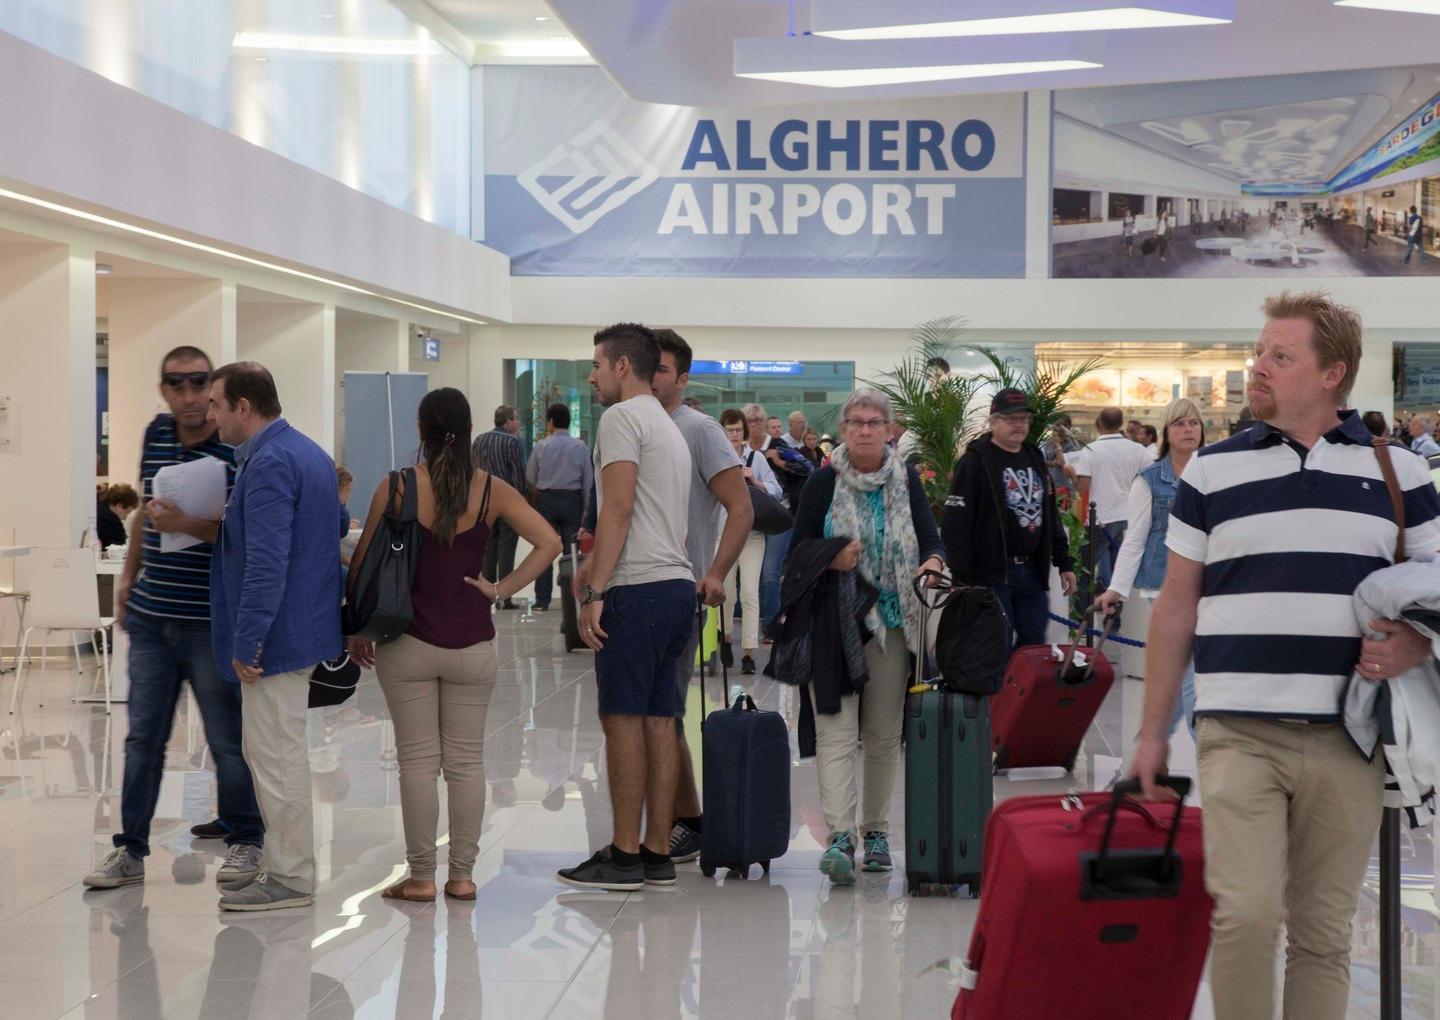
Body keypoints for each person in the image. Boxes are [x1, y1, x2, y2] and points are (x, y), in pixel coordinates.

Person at [1130, 291, 1440, 1020]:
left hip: (1350, 738)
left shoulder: (1401, 475)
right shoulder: (1211, 472)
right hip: (1238, 731)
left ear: (1332, 373)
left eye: (1279, 355)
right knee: (1247, 915)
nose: (1256, 367)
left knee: (1324, 932)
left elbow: (1434, 588)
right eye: (1260, 350)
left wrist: (1417, 640)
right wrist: (1150, 735)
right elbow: (1177, 605)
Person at [346, 388, 561, 902]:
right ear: (468, 433)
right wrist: (501, 588)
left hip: (407, 643)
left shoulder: (397, 487)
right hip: (472, 645)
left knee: (418, 762)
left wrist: (356, 628)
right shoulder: (492, 490)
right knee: (466, 763)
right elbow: (550, 542)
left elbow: (363, 564)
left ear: (421, 430)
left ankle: (421, 877)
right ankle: (461, 876)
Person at [83, 347, 264, 893]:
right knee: (142, 739)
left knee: (227, 740)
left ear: (212, 389)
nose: (187, 397)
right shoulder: (155, 435)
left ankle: (246, 839)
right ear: (163, 389)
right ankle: (130, 849)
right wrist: (127, 582)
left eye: (197, 384)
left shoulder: (234, 445)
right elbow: (143, 515)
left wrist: (189, 522)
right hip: (152, 619)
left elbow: (244, 536)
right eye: (175, 385)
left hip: (210, 622)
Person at [559, 324, 695, 892]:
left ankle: (622, 855)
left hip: (637, 589)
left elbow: (616, 509)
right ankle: (657, 851)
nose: (590, 376)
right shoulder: (668, 425)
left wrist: (594, 591)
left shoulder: (621, 419)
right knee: (661, 720)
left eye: (596, 364)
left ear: (621, 367)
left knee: (621, 721)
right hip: (677, 588)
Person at [790, 389, 946, 885]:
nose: (864, 430)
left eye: (874, 422)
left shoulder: (905, 482)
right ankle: (840, 836)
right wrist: (830, 556)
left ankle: (875, 832)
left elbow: (930, 537)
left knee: (882, 735)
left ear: (889, 430)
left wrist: (935, 561)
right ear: (844, 427)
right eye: (856, 421)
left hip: (893, 623)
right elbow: (795, 554)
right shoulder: (821, 482)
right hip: (833, 622)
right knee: (836, 731)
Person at [207, 361, 343, 911]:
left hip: (279, 635)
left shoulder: (268, 463)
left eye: (216, 403)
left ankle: (291, 874)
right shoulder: (305, 452)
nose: (209, 413)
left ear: (244, 406)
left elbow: (266, 562)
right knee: (274, 750)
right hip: (304, 623)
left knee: (276, 754)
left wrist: (249, 641)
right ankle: (284, 863)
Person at [649, 330, 752, 865]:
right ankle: (686, 819)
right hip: (636, 592)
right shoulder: (634, 425)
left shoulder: (700, 430)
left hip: (679, 589)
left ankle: (681, 823)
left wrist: (715, 573)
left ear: (683, 378)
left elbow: (740, 507)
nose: (653, 377)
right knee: (654, 712)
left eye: (662, 369)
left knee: (663, 712)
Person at [1095, 399, 1206, 737]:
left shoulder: (1215, 474)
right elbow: (1135, 539)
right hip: (1164, 585)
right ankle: (1200, 744)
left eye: (1193, 423)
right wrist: (1117, 588)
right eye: (1179, 424)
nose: (1188, 430)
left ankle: (1158, 742)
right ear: (1166, 433)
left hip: (1212, 585)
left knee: (1191, 672)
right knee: (1191, 672)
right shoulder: (1149, 480)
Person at [942, 388, 1077, 651]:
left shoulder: (1033, 456)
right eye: (1010, 419)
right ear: (993, 422)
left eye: (1023, 419)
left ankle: (1020, 693)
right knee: (994, 646)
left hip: (1032, 572)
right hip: (991, 574)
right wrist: (963, 578)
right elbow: (955, 525)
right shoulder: (975, 461)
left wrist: (1064, 562)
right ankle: (996, 694)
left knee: (1033, 647)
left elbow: (1048, 513)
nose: (1018, 425)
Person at [721, 407, 780, 676]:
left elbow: (776, 490)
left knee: (749, 592)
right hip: (722, 534)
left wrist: (754, 480)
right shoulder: (715, 458)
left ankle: (748, 652)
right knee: (725, 593)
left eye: (737, 429)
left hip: (752, 533)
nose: (734, 434)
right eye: (729, 429)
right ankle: (725, 637)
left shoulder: (755, 458)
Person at [1068, 407, 1154, 591]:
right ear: (1121, 424)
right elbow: (1155, 471)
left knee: (1085, 569)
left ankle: (1085, 614)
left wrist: (1070, 474)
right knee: (1120, 574)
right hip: (1129, 517)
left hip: (1100, 517)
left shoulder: (1090, 451)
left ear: (1099, 424)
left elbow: (1082, 487)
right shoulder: (1137, 450)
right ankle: (1113, 617)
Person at [525, 402, 592, 611]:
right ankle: (573, 598)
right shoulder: (580, 447)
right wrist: (587, 510)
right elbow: (588, 481)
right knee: (571, 552)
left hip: (547, 501)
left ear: (551, 422)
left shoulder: (541, 446)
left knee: (545, 547)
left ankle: (541, 601)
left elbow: (530, 476)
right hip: (573, 500)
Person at [471, 405, 527, 609]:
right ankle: (504, 595)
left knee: (488, 547)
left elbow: (473, 470)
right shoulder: (513, 442)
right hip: (507, 503)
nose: (518, 423)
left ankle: (485, 594)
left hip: (483, 502)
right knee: (507, 548)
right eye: (516, 419)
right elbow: (518, 475)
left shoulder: (479, 440)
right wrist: (522, 501)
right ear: (508, 422)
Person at [1042, 413, 1081, 510]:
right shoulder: (1047, 443)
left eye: (1059, 425)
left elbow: (1062, 463)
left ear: (1067, 427)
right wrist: (1051, 463)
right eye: (1054, 424)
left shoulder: (1072, 444)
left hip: (1064, 490)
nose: (1055, 428)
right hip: (1050, 488)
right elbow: (1043, 462)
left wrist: (1058, 445)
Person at [96, 483, 139, 549]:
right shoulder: (112, 521)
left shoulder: (96, 508)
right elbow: (120, 547)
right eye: (127, 512)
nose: (125, 518)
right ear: (120, 506)